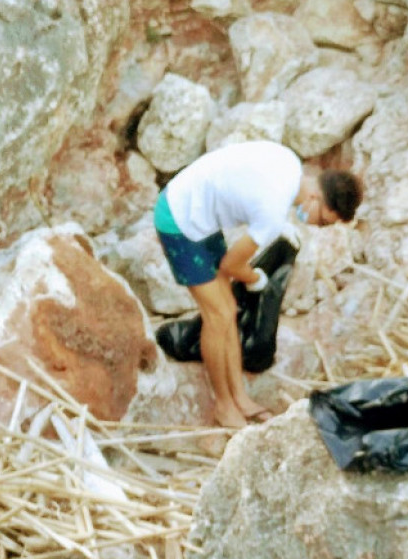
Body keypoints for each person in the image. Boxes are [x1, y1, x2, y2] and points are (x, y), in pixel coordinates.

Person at [153, 140, 363, 427]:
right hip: (178, 218)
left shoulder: (290, 163)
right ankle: (224, 407)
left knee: (229, 308)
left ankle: (239, 396)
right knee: (219, 315)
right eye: (324, 222)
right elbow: (231, 265)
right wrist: (257, 279)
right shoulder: (273, 211)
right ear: (315, 197)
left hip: (200, 209)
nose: (316, 226)